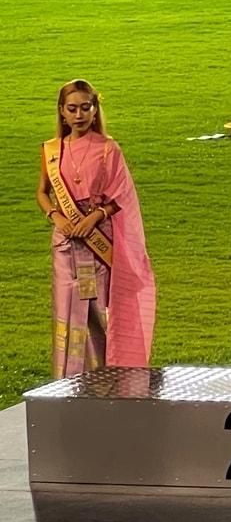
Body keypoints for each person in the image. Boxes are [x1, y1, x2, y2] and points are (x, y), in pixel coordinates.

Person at [35, 80, 158, 379]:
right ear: (62, 112)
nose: (79, 115)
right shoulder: (52, 150)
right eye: (72, 109)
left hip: (98, 238)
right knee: (67, 308)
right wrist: (55, 216)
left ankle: (110, 376)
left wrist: (94, 218)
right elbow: (42, 191)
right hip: (66, 243)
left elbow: (121, 195)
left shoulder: (108, 149)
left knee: (101, 309)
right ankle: (69, 380)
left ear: (94, 110)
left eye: (85, 108)